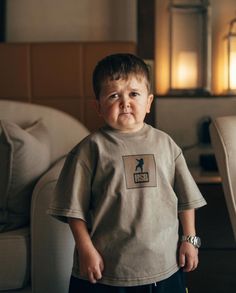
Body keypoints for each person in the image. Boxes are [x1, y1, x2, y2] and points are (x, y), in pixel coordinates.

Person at [48, 53, 207, 293]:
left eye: (134, 93)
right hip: (109, 270)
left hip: (165, 264)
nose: (125, 102)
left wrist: (190, 239)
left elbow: (186, 201)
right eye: (114, 95)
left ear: (149, 102)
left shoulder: (166, 145)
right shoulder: (89, 150)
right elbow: (74, 212)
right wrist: (85, 250)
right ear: (98, 106)